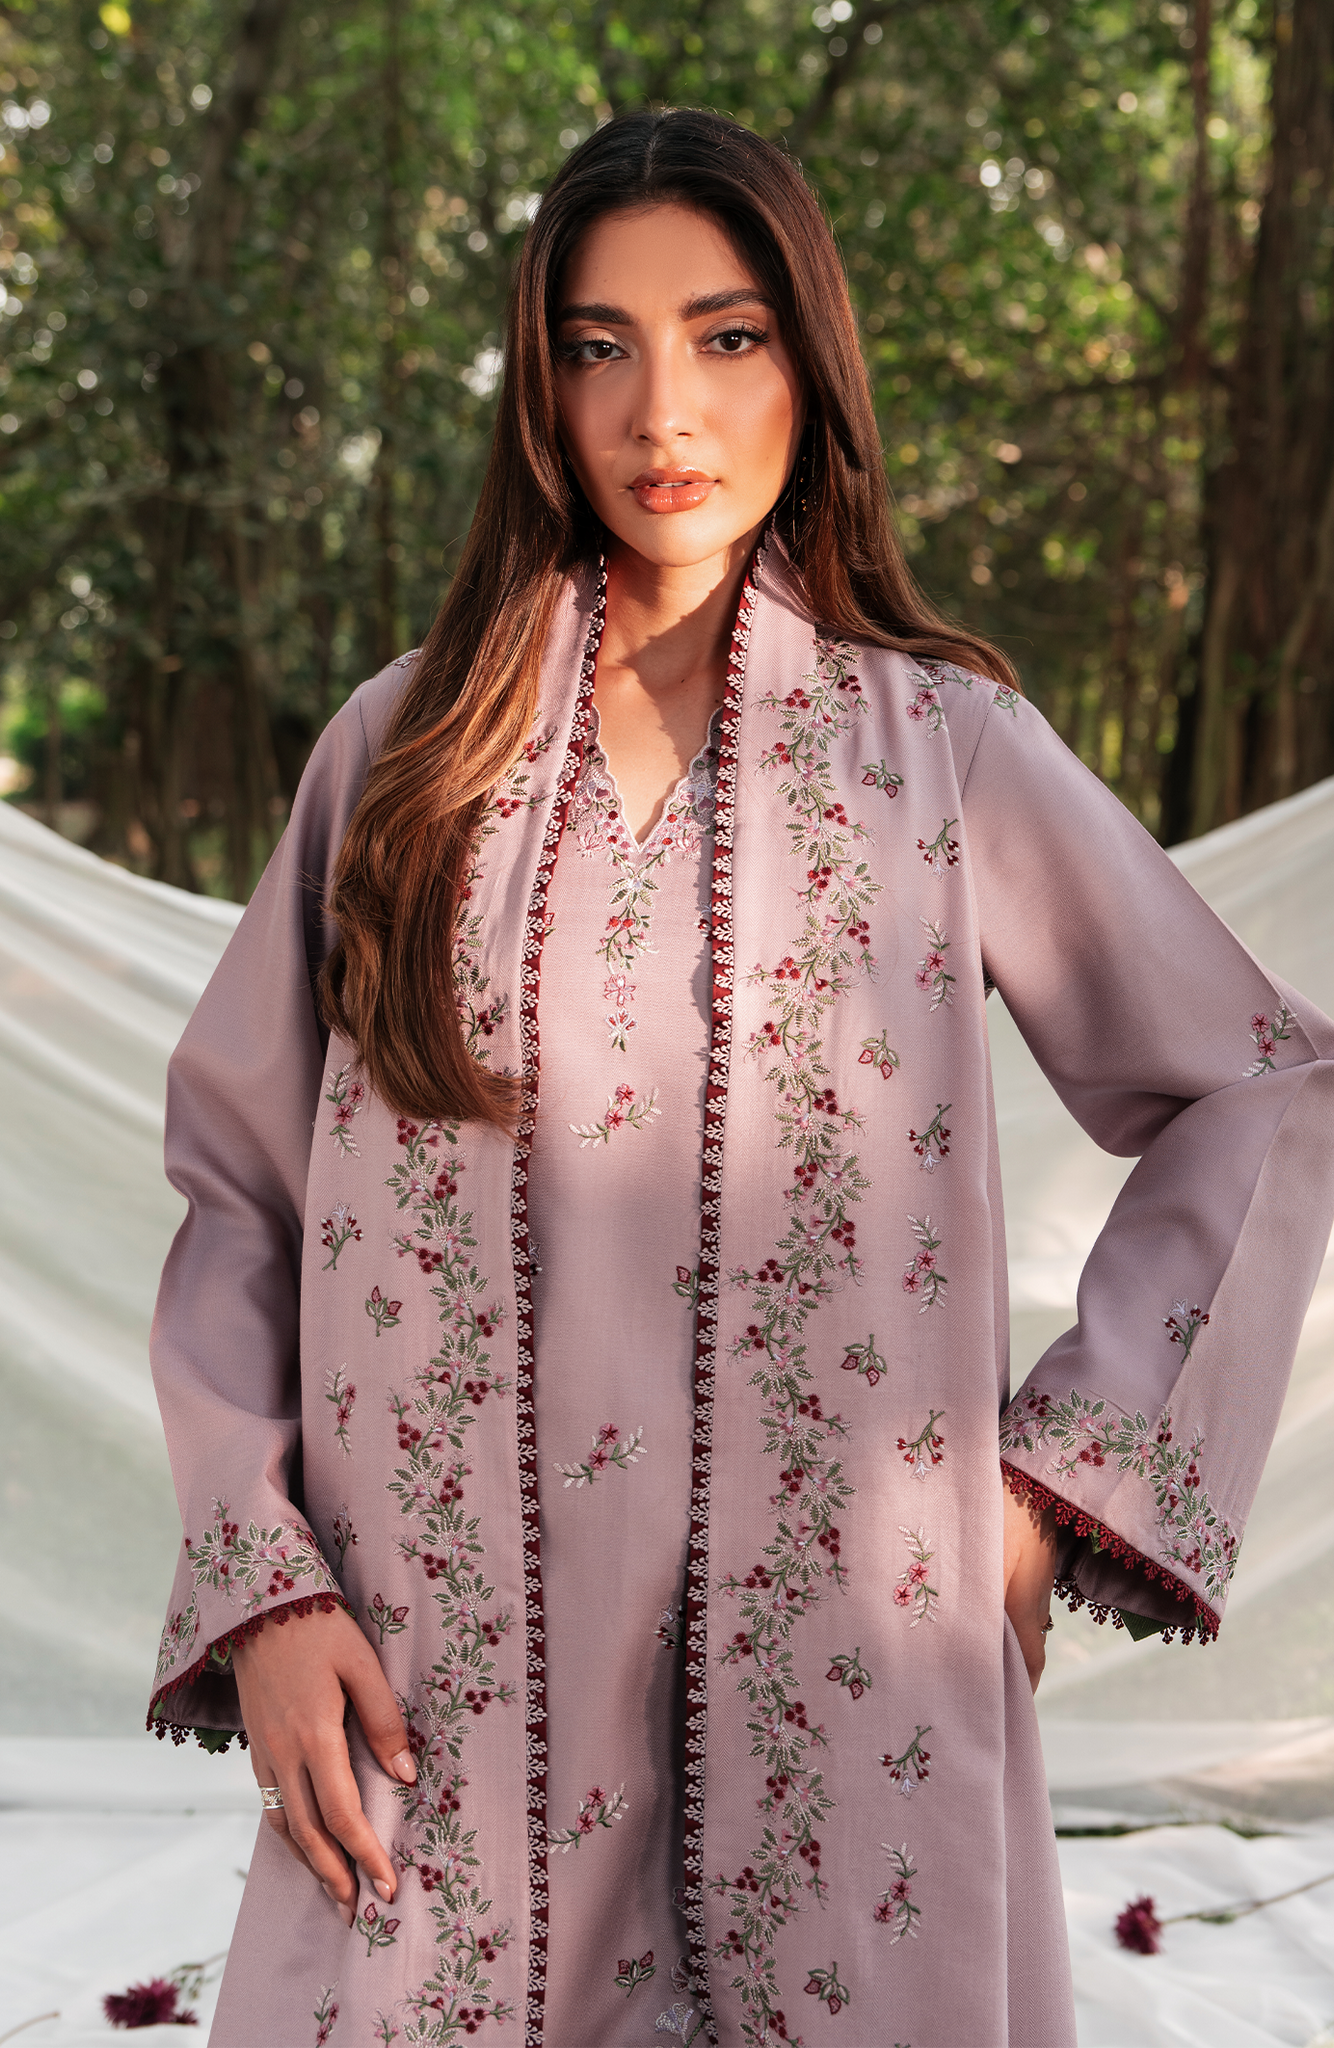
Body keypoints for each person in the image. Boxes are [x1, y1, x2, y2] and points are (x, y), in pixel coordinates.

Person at [147, 109, 1334, 2048]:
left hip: (841, 1706)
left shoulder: (943, 752)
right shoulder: (403, 755)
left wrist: (1052, 1485)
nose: (660, 410)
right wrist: (268, 1596)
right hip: (449, 1701)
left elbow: (1259, 1081)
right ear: (539, 385)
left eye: (724, 335)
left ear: (811, 362)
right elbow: (242, 1197)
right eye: (596, 346)